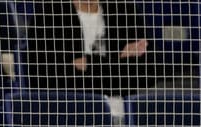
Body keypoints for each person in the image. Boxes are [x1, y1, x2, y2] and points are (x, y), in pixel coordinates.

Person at [27, 0, 157, 96]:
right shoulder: (48, 15)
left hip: (129, 108)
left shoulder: (125, 10)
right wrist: (119, 61)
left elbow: (148, 72)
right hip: (75, 111)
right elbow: (52, 77)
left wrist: (88, 64)